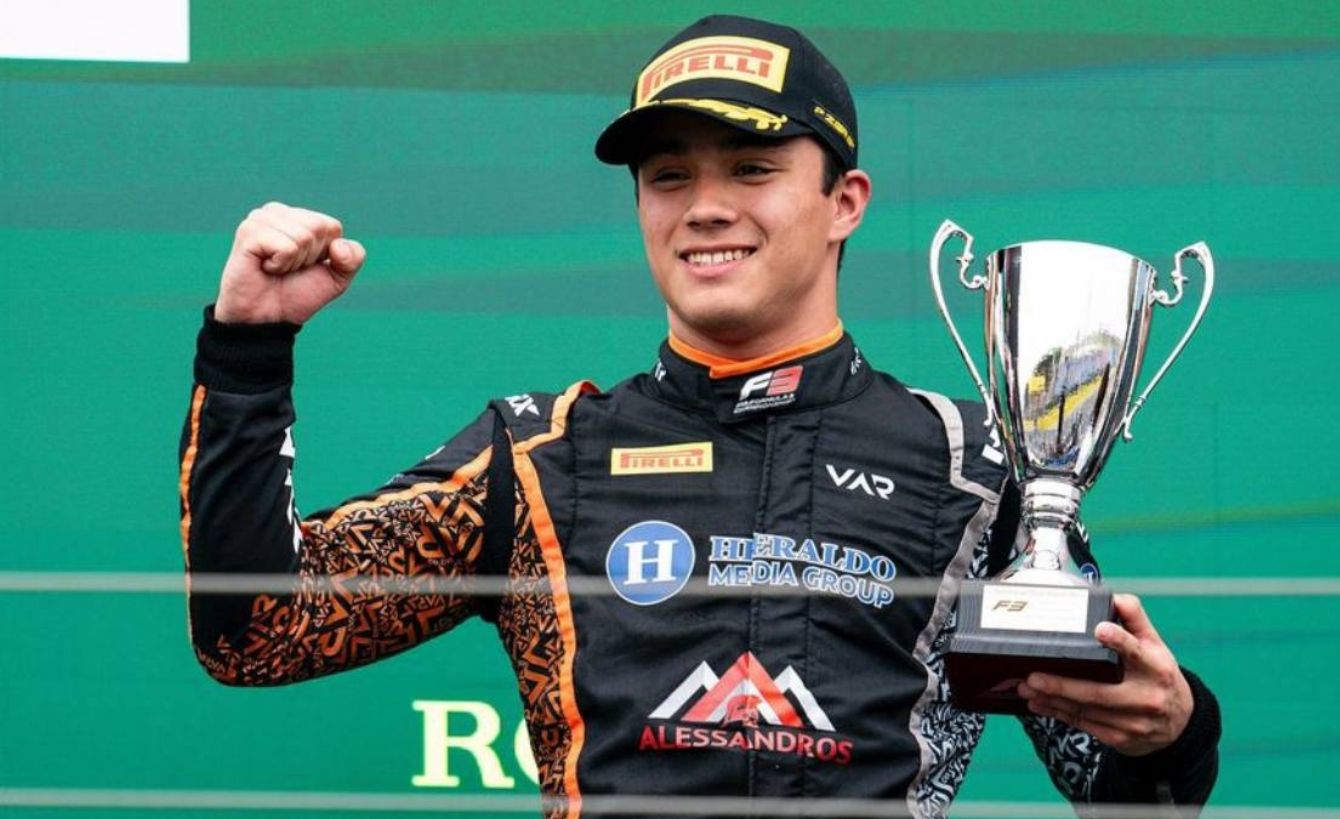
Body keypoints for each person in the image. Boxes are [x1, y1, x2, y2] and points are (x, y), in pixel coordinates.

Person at [178, 14, 1220, 818]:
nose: (704, 205)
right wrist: (248, 349)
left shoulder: (973, 465)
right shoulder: (540, 454)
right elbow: (257, 631)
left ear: (846, 201)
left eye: (752, 169)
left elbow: (1123, 787)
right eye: (668, 176)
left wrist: (1171, 728)